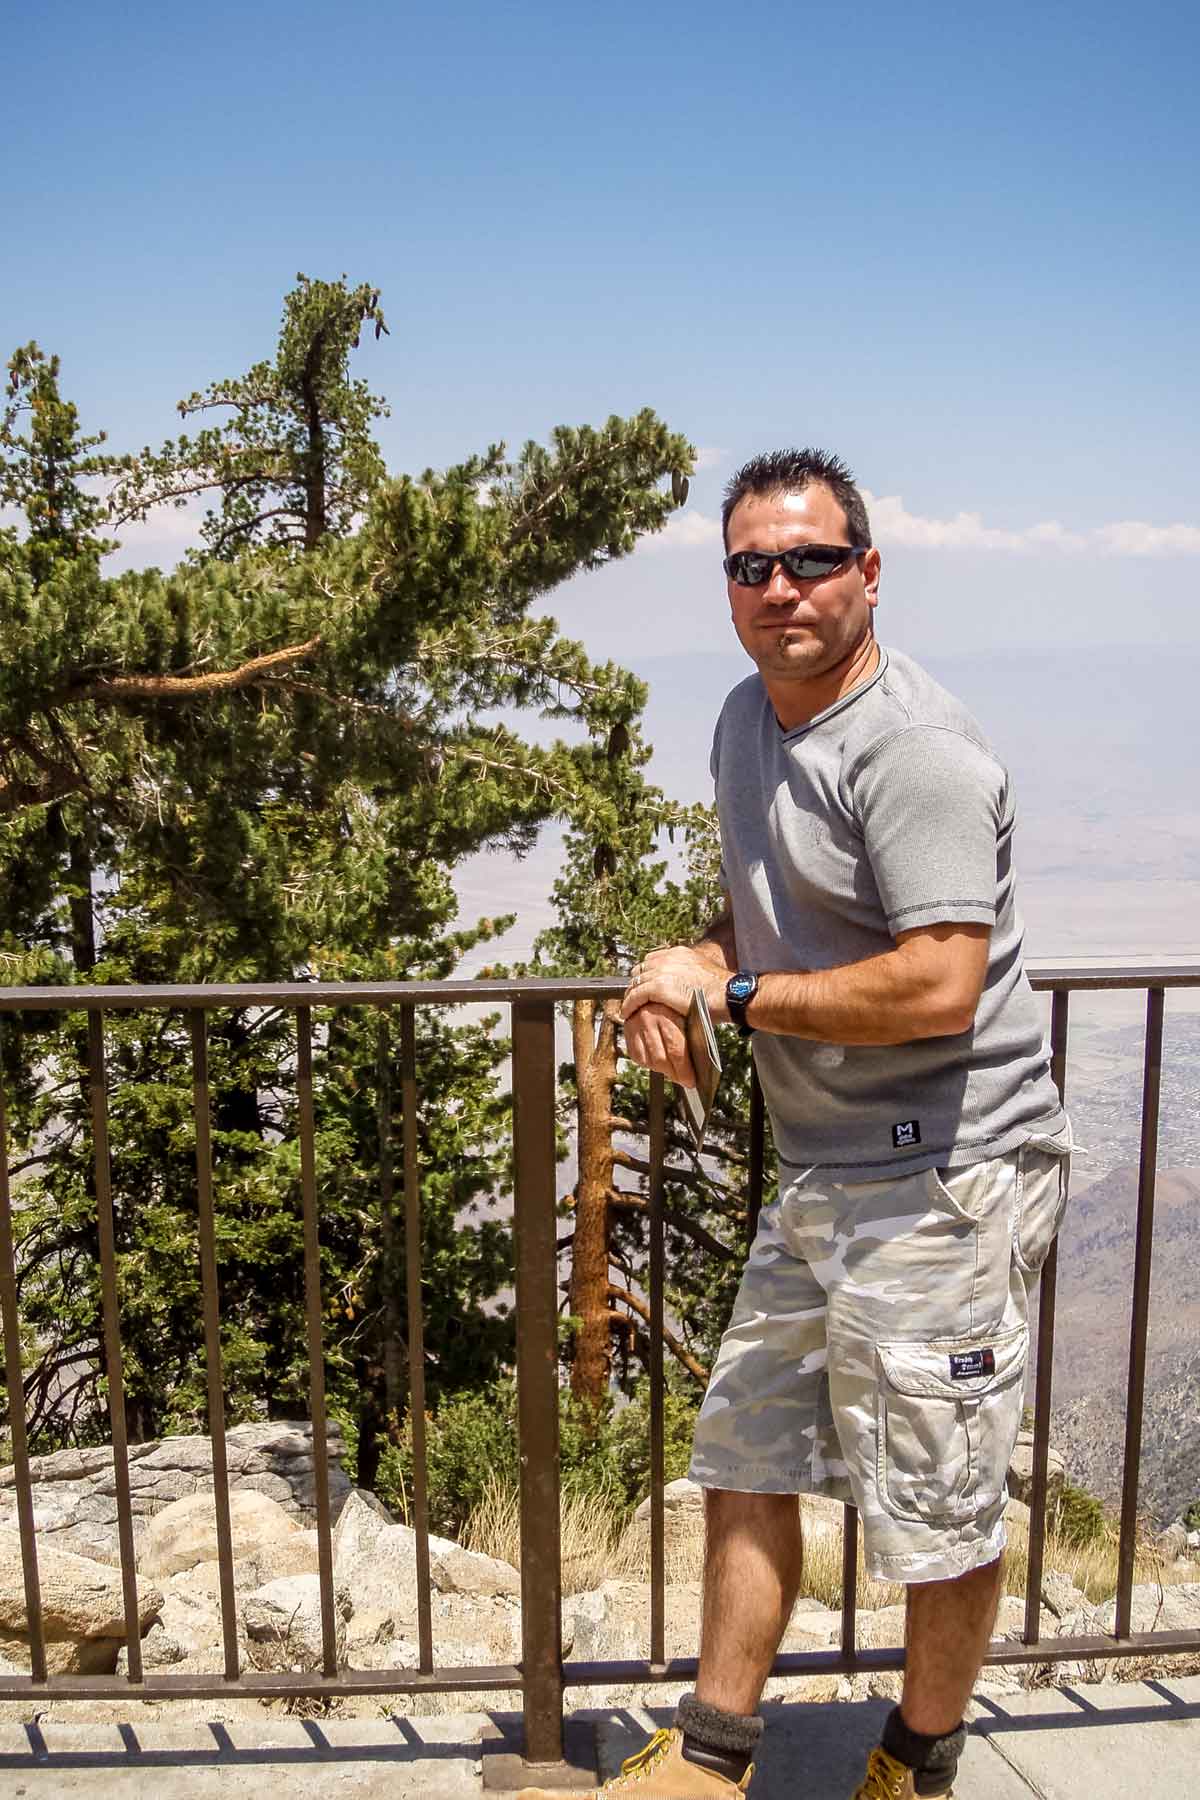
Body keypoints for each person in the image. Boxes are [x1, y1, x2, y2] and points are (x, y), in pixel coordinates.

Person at [520, 449, 1070, 1800]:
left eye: (813, 561)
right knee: (746, 1455)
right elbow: (762, 928)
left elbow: (940, 983)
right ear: (729, 588)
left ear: (868, 573)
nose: (783, 589)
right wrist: (687, 965)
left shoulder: (915, 752)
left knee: (939, 1513)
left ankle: (914, 1768)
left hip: (949, 1174)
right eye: (753, 567)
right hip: (828, 1172)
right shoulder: (745, 723)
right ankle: (711, 1760)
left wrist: (744, 995)